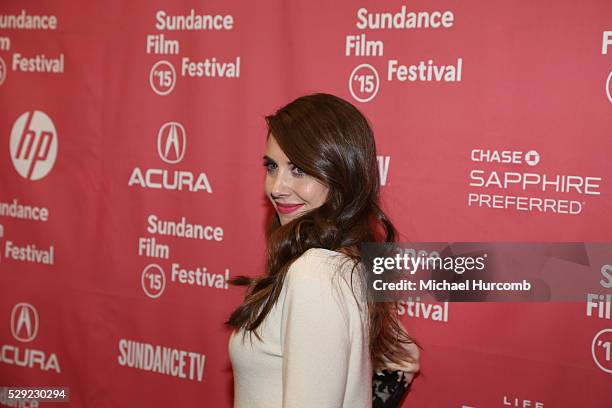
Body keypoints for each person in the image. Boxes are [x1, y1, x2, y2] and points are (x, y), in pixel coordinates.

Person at [227, 93, 419, 408]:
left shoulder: (314, 272)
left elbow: (401, 359)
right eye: (273, 166)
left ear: (342, 174)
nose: (277, 187)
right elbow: (402, 358)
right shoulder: (346, 263)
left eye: (299, 169)